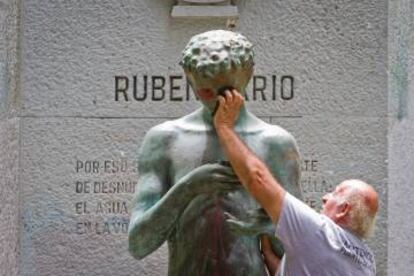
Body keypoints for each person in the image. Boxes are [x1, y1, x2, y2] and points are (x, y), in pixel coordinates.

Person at [128, 30, 302, 275]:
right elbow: (138, 244)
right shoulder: (165, 139)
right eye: (206, 91)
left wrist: (273, 224)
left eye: (228, 90)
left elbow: (302, 249)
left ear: (248, 76)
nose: (219, 100)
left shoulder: (275, 143)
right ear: (190, 81)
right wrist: (189, 187)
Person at [213, 89, 379, 276]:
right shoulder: (367, 260)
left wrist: (224, 127)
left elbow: (257, 178)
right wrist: (268, 255)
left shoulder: (320, 232)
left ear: (343, 210)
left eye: (335, 193)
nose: (325, 197)